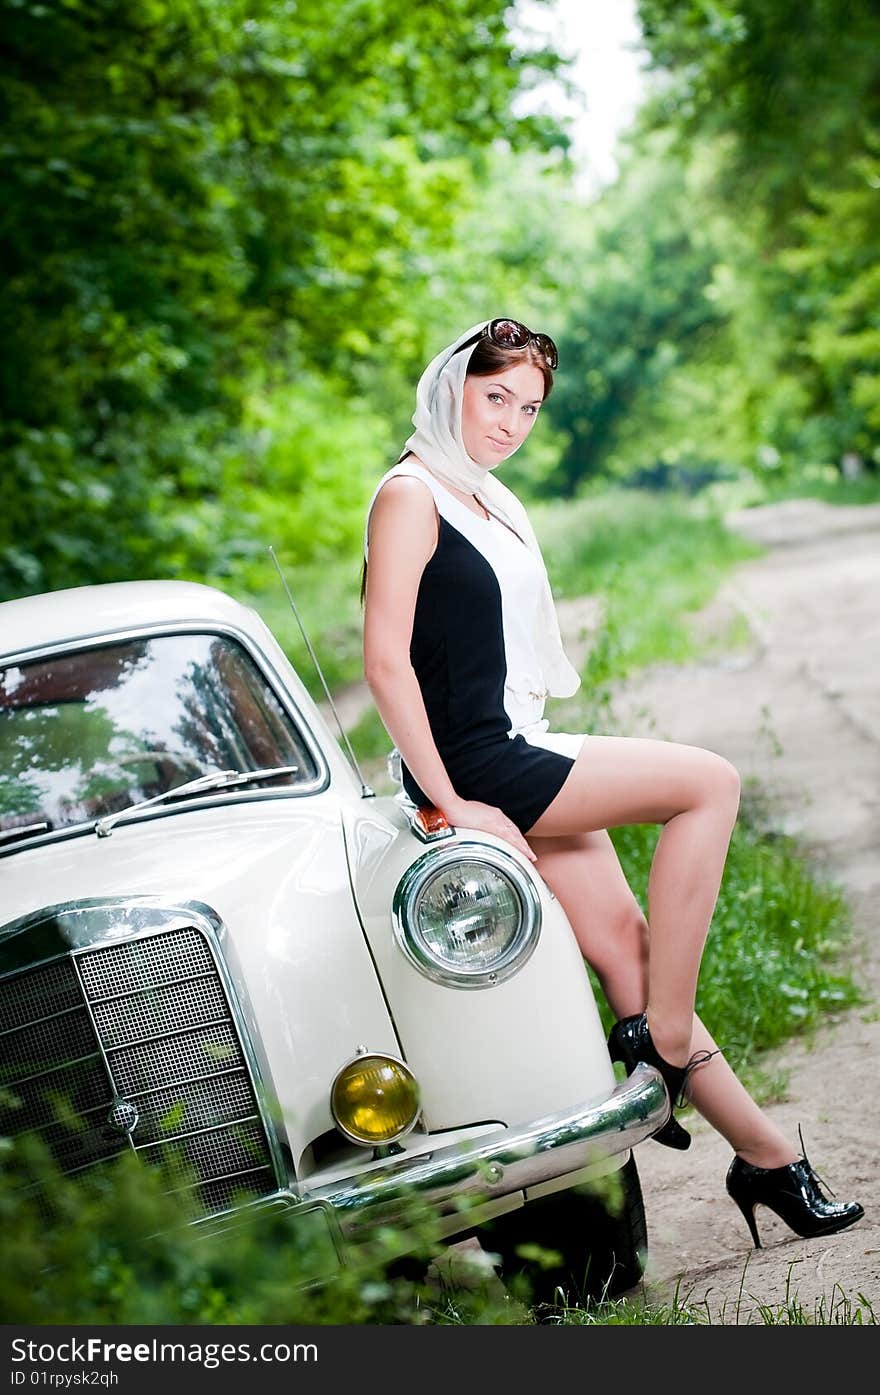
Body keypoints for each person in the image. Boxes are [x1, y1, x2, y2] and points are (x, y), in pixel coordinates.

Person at [360, 316, 864, 1249]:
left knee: (630, 950)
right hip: (481, 761)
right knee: (707, 783)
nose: (511, 421)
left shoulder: (480, 495)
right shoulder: (410, 494)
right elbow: (385, 662)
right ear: (452, 388)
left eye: (530, 407)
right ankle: (662, 1041)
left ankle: (764, 1160)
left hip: (508, 742)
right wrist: (451, 798)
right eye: (496, 396)